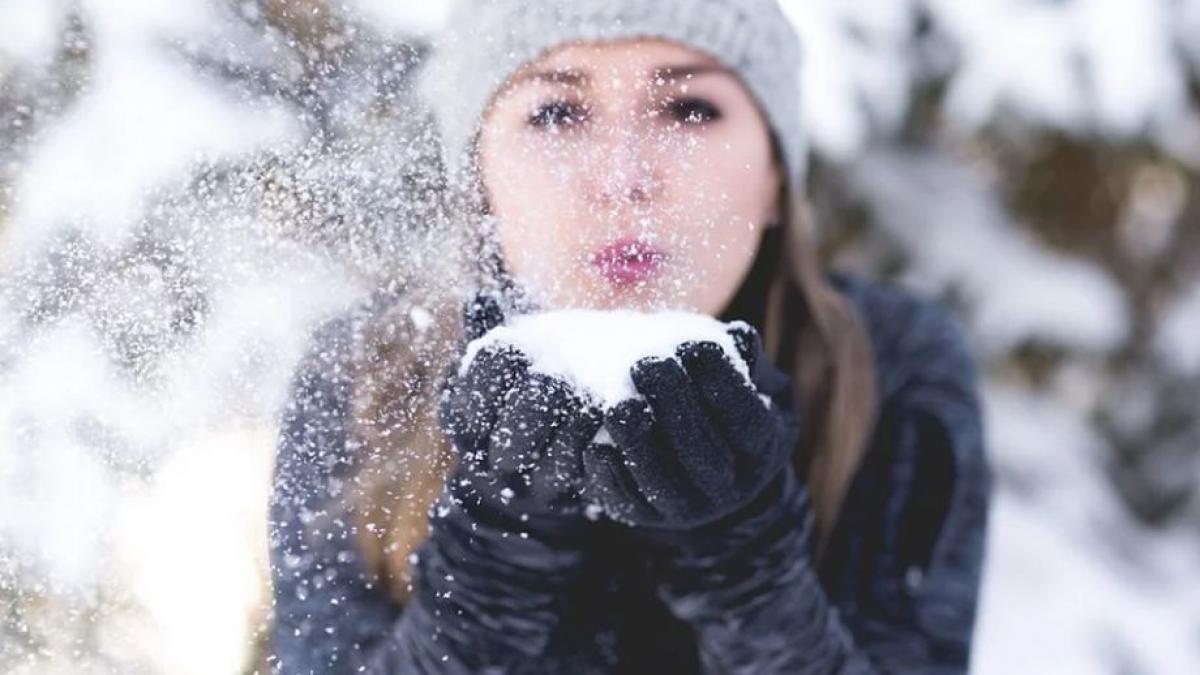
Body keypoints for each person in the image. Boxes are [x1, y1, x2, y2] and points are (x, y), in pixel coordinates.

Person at [266, 0, 994, 672]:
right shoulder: (367, 375)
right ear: (480, 173)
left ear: (776, 172)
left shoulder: (887, 371)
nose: (622, 178)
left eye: (687, 108)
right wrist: (496, 556)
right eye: (555, 112)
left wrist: (745, 563)